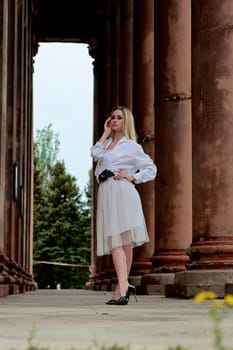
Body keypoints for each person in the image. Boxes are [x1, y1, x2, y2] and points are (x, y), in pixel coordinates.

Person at [90, 106, 157, 305]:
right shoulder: (107, 144)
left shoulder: (131, 146)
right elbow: (94, 154)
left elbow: (151, 168)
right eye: (112, 117)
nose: (115, 120)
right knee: (123, 242)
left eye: (119, 118)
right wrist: (105, 133)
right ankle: (122, 288)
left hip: (122, 191)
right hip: (107, 192)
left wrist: (132, 177)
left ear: (126, 121)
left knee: (117, 241)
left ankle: (123, 287)